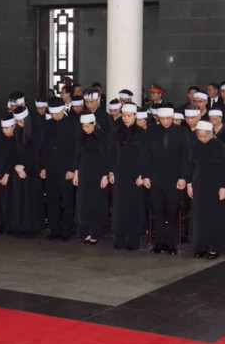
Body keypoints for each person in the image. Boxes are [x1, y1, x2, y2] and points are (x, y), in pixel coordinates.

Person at [147, 105, 189, 254]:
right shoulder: (152, 131)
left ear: (172, 118)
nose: (165, 122)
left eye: (168, 119)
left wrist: (183, 177)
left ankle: (171, 243)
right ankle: (159, 242)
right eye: (162, 119)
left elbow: (185, 157)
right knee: (157, 211)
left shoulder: (181, 132)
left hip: (173, 178)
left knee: (172, 211)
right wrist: (146, 176)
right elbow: (146, 156)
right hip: (155, 178)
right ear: (158, 118)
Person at [188, 121, 225, 259]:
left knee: (214, 216)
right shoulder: (194, 145)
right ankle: (200, 246)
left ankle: (214, 247)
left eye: (205, 136)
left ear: (211, 134)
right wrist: (189, 184)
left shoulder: (219, 145)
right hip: (199, 183)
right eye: (200, 136)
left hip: (215, 183)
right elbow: (190, 165)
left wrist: (223, 187)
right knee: (199, 216)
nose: (202, 139)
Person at [110, 103, 149, 251]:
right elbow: (112, 153)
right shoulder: (116, 131)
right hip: (120, 173)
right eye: (124, 115)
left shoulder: (142, 133)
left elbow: (146, 156)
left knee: (134, 206)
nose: (126, 119)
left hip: (135, 175)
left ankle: (133, 240)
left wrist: (143, 175)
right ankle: (119, 238)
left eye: (129, 116)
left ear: (134, 116)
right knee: (120, 206)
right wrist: (111, 172)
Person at [40, 97, 79, 242]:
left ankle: (66, 230)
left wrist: (72, 169)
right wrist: (43, 166)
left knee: (67, 200)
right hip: (50, 168)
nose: (54, 116)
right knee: (51, 200)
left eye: (57, 113)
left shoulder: (72, 124)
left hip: (65, 169)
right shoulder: (47, 124)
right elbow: (44, 148)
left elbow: (76, 148)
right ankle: (54, 229)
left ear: (63, 109)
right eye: (52, 113)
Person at [73, 113, 112, 245]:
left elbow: (107, 156)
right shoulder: (82, 137)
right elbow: (78, 155)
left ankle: (96, 233)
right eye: (83, 126)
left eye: (88, 126)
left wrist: (105, 175)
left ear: (94, 124)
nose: (86, 129)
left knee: (96, 203)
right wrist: (76, 173)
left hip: (98, 173)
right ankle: (85, 232)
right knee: (84, 203)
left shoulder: (103, 137)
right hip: (84, 173)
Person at [6, 105, 44, 236]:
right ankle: (19, 226)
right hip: (18, 169)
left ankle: (31, 227)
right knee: (19, 198)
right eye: (17, 121)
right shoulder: (17, 131)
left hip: (31, 169)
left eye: (21, 121)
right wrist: (17, 166)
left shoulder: (36, 129)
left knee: (30, 199)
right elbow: (14, 151)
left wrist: (25, 166)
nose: (19, 124)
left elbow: (36, 151)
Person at [0, 116, 17, 233]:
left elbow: (14, 159)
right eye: (3, 128)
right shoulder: (0, 141)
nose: (4, 131)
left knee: (10, 200)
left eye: (7, 128)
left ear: (13, 127)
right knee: (0, 200)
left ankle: (10, 225)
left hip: (11, 176)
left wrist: (7, 174)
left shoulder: (16, 141)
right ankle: (0, 224)